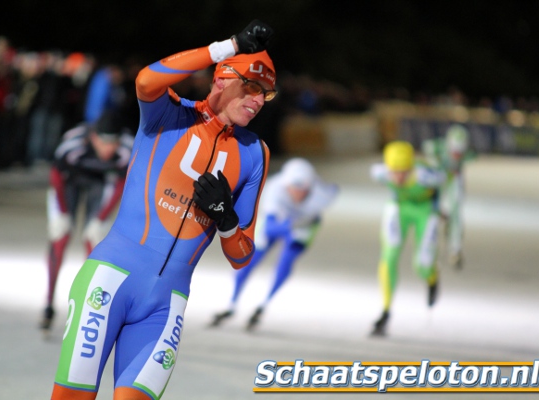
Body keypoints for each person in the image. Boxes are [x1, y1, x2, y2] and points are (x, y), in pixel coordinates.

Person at [51, 19, 275, 400]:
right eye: (251, 87)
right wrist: (229, 45)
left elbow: (242, 256)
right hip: (110, 280)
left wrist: (226, 219)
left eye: (267, 94)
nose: (258, 100)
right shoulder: (169, 114)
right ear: (221, 79)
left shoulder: (255, 153)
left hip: (166, 303)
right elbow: (146, 80)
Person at [210, 158, 338, 330]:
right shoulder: (274, 188)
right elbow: (270, 228)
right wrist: (289, 226)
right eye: (293, 189)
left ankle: (263, 304)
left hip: (304, 225)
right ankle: (231, 304)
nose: (297, 194)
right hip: (284, 221)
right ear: (285, 185)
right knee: (248, 258)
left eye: (303, 190)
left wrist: (292, 227)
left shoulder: (322, 195)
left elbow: (334, 190)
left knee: (286, 261)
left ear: (311, 187)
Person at [41, 110, 134, 334]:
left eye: (113, 143)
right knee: (60, 238)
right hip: (69, 183)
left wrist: (100, 219)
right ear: (92, 137)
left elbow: (120, 186)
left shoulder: (126, 150)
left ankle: (88, 306)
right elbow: (56, 177)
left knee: (95, 240)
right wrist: (63, 213)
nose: (108, 148)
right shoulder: (72, 145)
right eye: (103, 142)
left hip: (102, 184)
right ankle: (48, 302)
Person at [370, 141, 446, 336]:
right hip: (400, 208)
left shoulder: (427, 176)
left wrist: (439, 209)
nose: (399, 177)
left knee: (422, 264)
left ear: (412, 167)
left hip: (425, 211)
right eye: (394, 172)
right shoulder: (379, 173)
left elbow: (446, 181)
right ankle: (386, 311)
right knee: (389, 256)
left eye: (404, 171)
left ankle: (431, 277)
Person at [422, 124, 475, 269]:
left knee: (456, 215)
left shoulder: (467, 153)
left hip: (453, 180)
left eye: (460, 152)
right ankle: (430, 250)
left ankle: (455, 249)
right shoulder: (437, 147)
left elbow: (472, 156)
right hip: (438, 181)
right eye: (455, 151)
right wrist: (435, 163)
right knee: (433, 215)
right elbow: (428, 148)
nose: (457, 155)